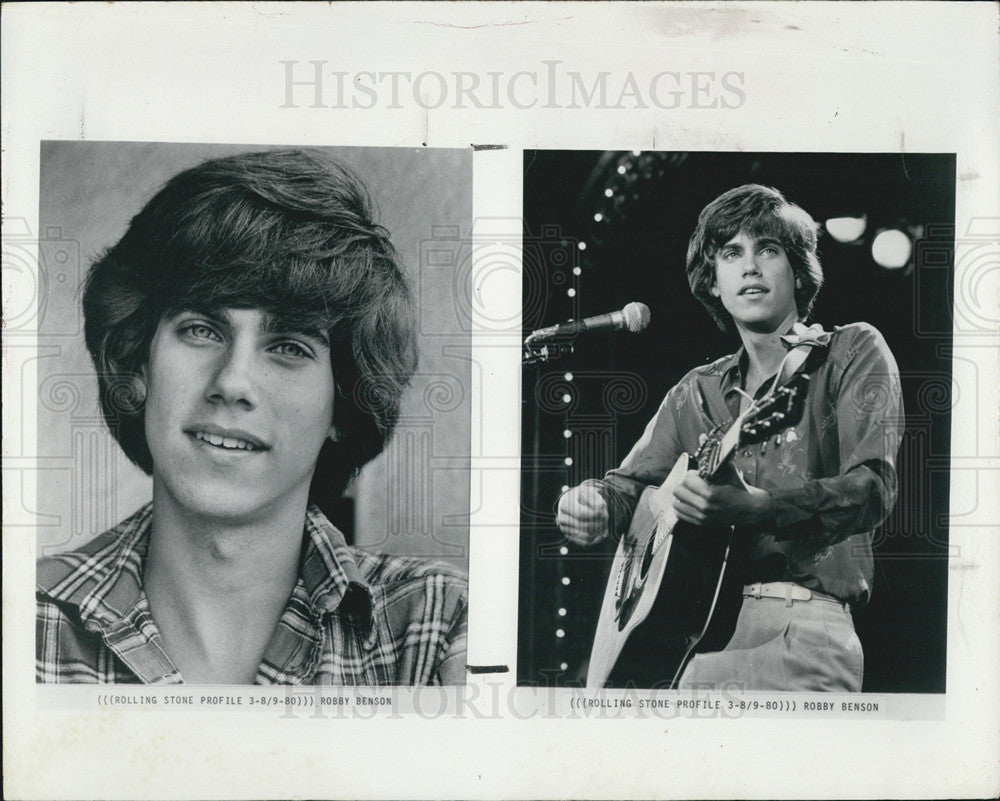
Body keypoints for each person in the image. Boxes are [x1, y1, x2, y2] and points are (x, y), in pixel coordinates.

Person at [36, 149, 468, 685]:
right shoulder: (26, 620)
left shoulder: (438, 625)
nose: (232, 383)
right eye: (201, 329)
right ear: (136, 364)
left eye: (288, 346)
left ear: (343, 402)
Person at [557, 184, 903, 692]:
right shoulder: (693, 393)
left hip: (802, 632)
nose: (750, 266)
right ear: (713, 281)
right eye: (731, 253)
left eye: (768, 249)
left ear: (798, 270)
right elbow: (627, 488)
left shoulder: (850, 351)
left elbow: (873, 489)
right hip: (693, 644)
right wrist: (593, 505)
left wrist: (757, 507)